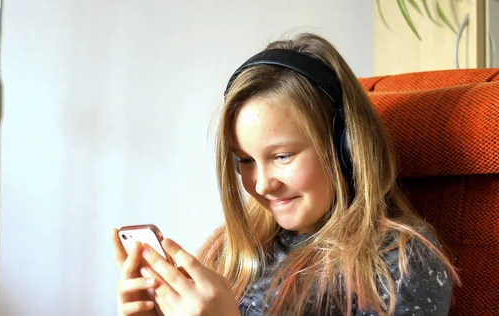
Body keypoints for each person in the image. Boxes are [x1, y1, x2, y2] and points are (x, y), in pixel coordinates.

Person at [112, 32, 459, 315]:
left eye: (282, 156)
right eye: (245, 161)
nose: (262, 185)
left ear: (346, 149)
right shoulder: (231, 249)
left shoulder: (401, 261)